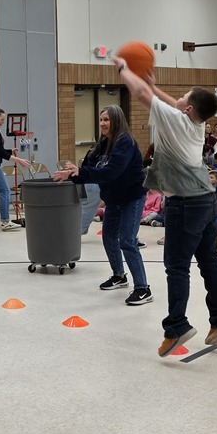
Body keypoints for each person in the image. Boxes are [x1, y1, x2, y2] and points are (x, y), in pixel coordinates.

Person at [112, 57, 217, 356]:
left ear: (188, 108)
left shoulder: (175, 119)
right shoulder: (197, 122)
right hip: (206, 199)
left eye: (183, 98)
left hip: (185, 203)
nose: (177, 99)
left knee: (177, 268)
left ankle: (177, 326)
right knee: (210, 261)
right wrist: (156, 86)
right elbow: (170, 101)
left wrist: (125, 71)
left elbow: (142, 96)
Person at [53, 105, 151, 305]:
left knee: (127, 241)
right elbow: (89, 169)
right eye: (101, 120)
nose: (103, 124)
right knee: (108, 237)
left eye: (106, 119)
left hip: (132, 198)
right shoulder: (102, 144)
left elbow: (111, 172)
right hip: (114, 198)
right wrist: (73, 174)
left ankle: (143, 288)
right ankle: (119, 275)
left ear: (117, 120)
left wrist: (82, 173)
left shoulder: (126, 142)